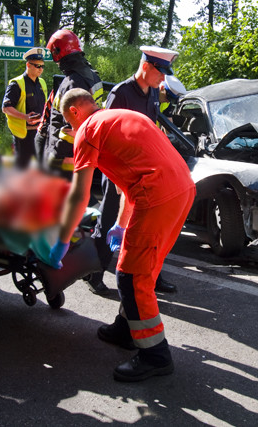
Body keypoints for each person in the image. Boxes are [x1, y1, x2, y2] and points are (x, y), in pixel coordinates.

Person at [48, 88, 195, 382]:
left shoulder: (87, 130)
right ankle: (127, 329)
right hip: (182, 190)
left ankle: (155, 355)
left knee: (131, 276)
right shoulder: (122, 117)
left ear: (75, 111)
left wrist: (62, 241)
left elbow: (79, 195)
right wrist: (120, 224)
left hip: (156, 196)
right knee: (143, 268)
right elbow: (125, 185)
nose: (71, 129)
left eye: (68, 121)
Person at [85, 46, 181, 296]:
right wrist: (118, 179)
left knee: (148, 226)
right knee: (108, 220)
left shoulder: (150, 93)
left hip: (144, 171)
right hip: (119, 169)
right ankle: (94, 273)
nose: (163, 79)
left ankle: (152, 275)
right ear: (147, 66)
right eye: (160, 72)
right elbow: (106, 133)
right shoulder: (121, 93)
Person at [41, 29, 104, 178]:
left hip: (64, 153)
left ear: (57, 52)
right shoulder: (94, 77)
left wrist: (54, 155)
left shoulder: (72, 82)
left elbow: (71, 125)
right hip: (82, 150)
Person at [2, 47, 48, 169]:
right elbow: (6, 108)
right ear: (28, 64)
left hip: (39, 132)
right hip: (24, 134)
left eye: (42, 66)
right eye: (37, 66)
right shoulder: (16, 84)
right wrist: (25, 117)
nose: (41, 69)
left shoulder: (42, 83)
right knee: (22, 168)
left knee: (41, 168)